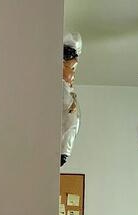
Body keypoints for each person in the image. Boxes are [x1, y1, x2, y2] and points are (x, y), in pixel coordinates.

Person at [61, 33, 82, 166]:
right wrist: (65, 151)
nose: (73, 74)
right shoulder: (62, 91)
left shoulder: (67, 91)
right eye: (72, 68)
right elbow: (71, 122)